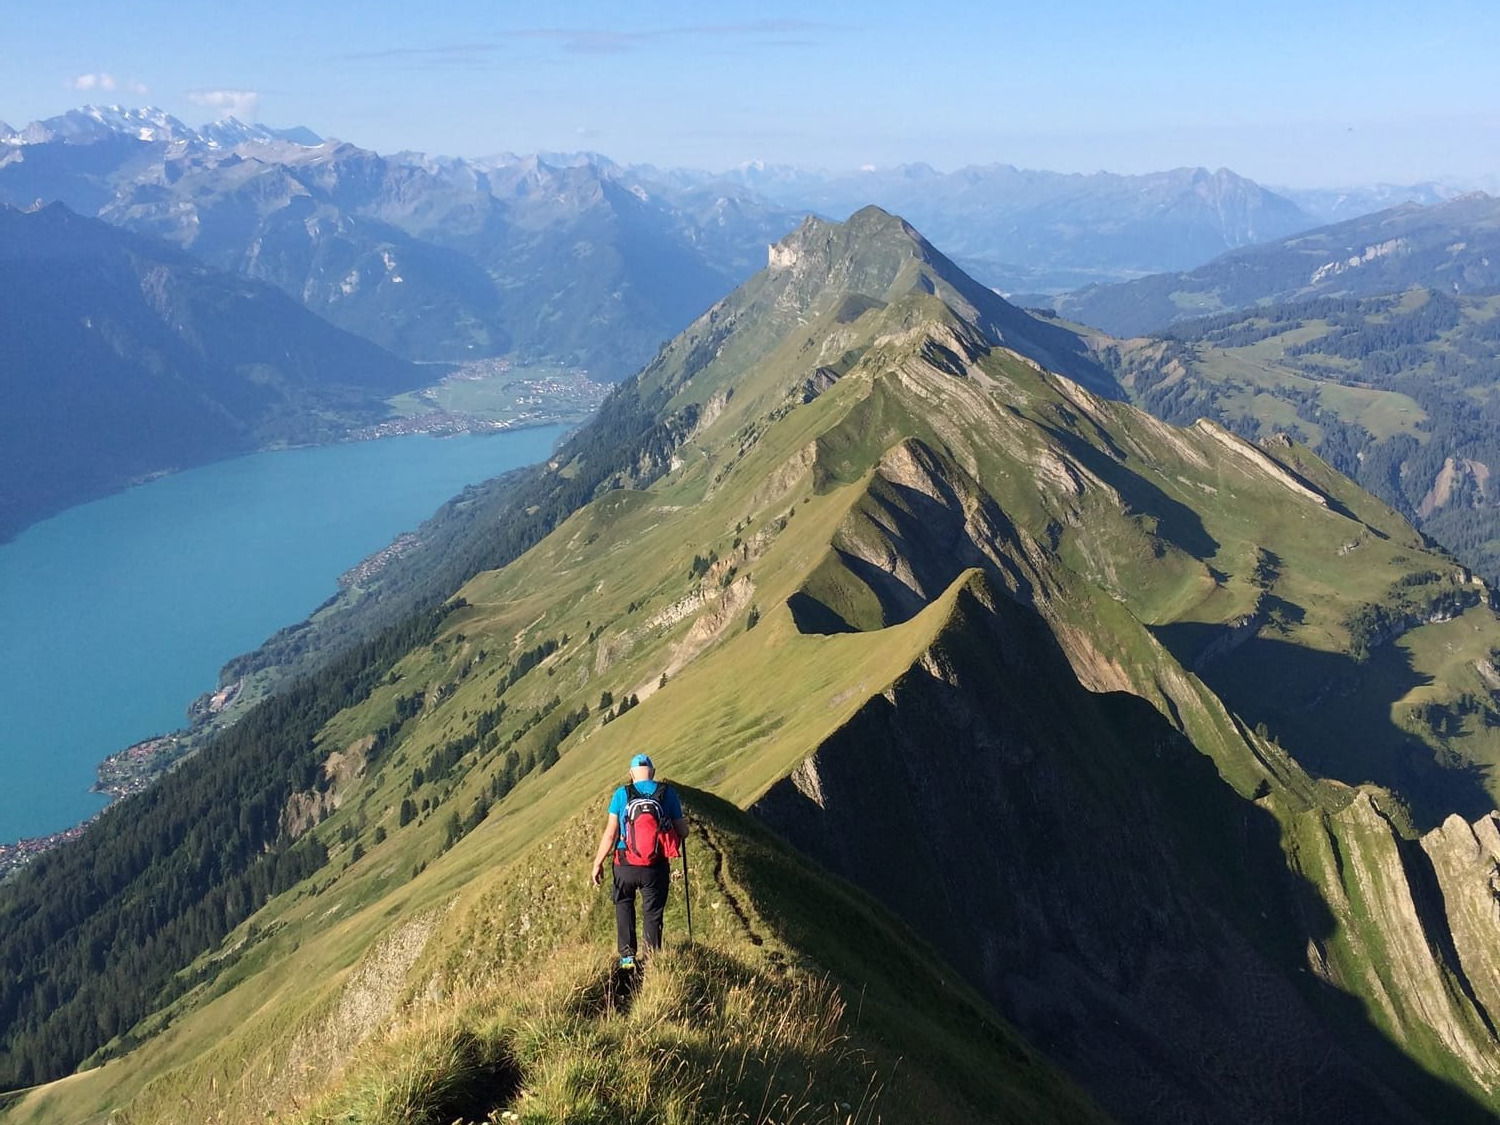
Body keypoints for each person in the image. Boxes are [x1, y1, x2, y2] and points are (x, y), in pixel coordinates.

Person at [590, 753, 688, 968]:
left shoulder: (621, 794)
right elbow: (682, 830)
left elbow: (610, 834)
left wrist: (597, 863)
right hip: (655, 865)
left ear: (631, 774)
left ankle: (627, 959)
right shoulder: (667, 794)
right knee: (652, 912)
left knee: (624, 905)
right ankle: (652, 960)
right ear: (652, 772)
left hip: (624, 864)